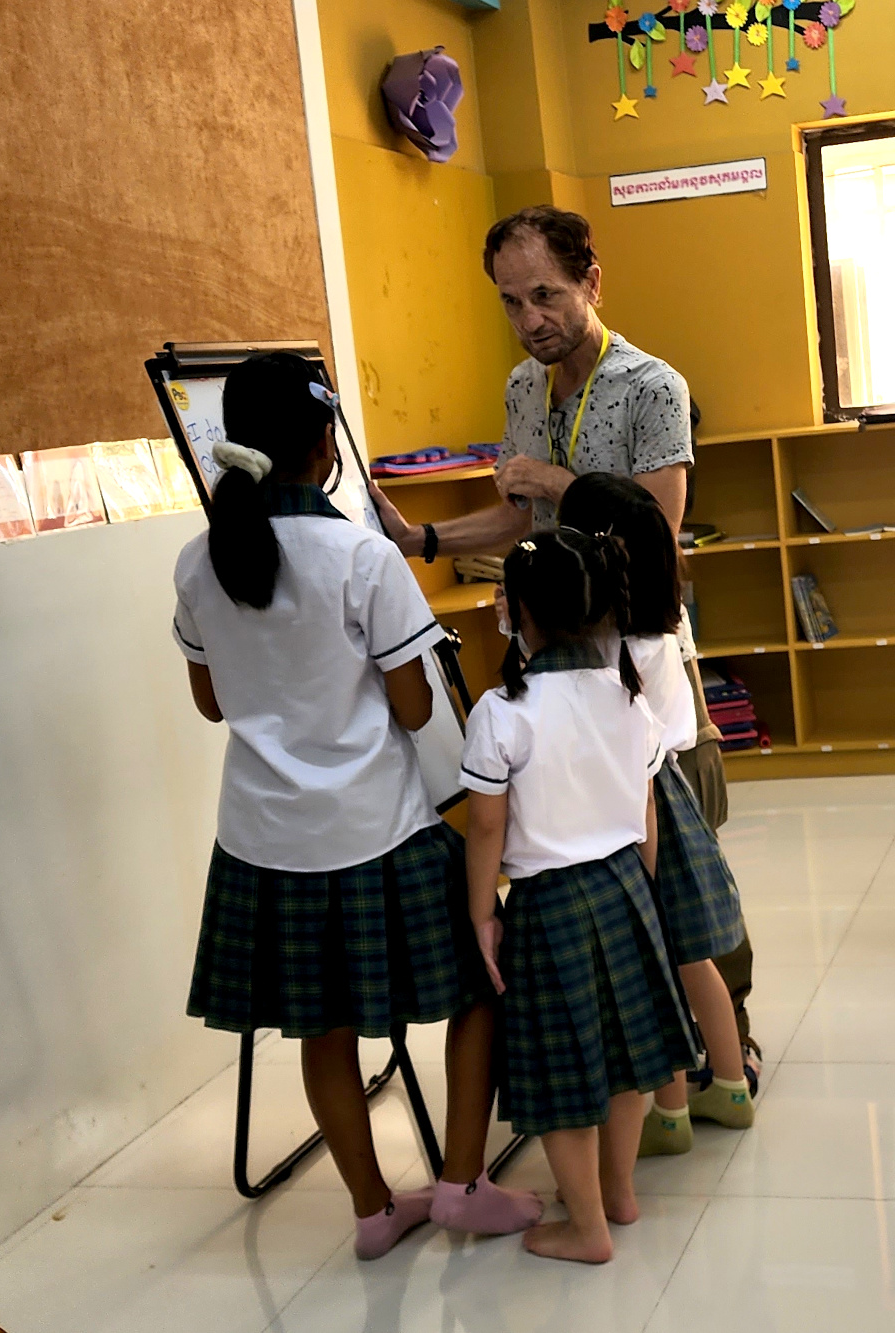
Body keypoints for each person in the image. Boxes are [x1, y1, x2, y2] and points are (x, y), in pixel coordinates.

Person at [173, 352, 542, 1261]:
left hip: (262, 842)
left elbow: (211, 703)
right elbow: (414, 710)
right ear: (324, 446)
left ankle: (374, 1209)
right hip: (378, 831)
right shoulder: (361, 555)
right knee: (482, 982)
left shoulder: (199, 559)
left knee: (321, 1024)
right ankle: (461, 1182)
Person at [371, 205, 759, 1070]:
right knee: (598, 859)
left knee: (683, 863)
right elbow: (519, 516)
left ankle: (732, 1036)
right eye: (511, 302)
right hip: (553, 661)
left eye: (545, 294)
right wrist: (422, 538)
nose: (529, 319)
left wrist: (555, 478)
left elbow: (656, 526)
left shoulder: (652, 386)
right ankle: (650, 1057)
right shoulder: (524, 387)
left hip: (639, 655)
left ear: (592, 281)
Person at [461, 528, 697, 1264]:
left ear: (520, 612)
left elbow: (486, 826)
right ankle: (618, 1194)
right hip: (625, 886)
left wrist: (482, 914)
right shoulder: (627, 696)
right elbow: (647, 810)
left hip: (549, 902)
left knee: (564, 1073)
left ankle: (588, 1227)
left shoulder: (502, 711)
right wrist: (647, 896)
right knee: (628, 1057)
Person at [558, 475, 755, 1151]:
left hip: (636, 808)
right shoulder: (661, 629)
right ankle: (729, 1084)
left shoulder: (605, 649)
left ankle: (668, 1114)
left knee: (655, 965)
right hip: (672, 794)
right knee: (693, 958)